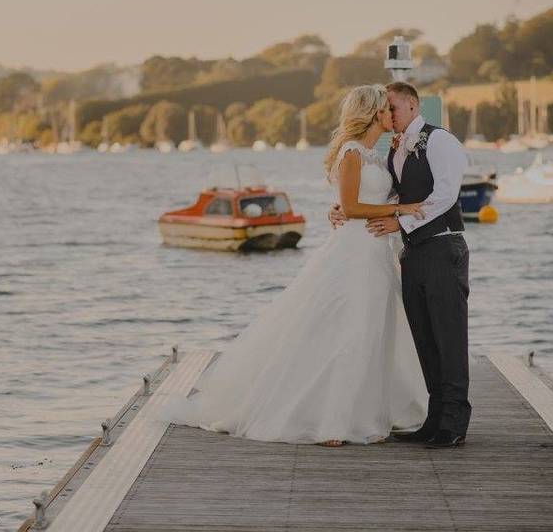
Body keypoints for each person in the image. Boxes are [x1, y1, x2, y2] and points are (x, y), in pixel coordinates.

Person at [151, 84, 427, 446]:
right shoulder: (352, 152)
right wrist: (399, 210)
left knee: (372, 332)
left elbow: (359, 201)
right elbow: (354, 208)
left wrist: (391, 206)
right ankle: (332, 422)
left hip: (377, 253)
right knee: (348, 332)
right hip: (354, 253)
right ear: (375, 112)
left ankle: (362, 415)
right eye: (388, 109)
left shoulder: (377, 155)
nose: (394, 114)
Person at [330, 81, 471, 449]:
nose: (387, 114)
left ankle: (454, 422)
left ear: (411, 104)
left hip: (442, 248)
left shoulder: (440, 141)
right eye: (384, 108)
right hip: (410, 253)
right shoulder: (392, 150)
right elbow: (391, 195)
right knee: (424, 336)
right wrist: (344, 207)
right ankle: (435, 417)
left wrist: (401, 221)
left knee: (449, 336)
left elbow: (444, 195)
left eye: (392, 107)